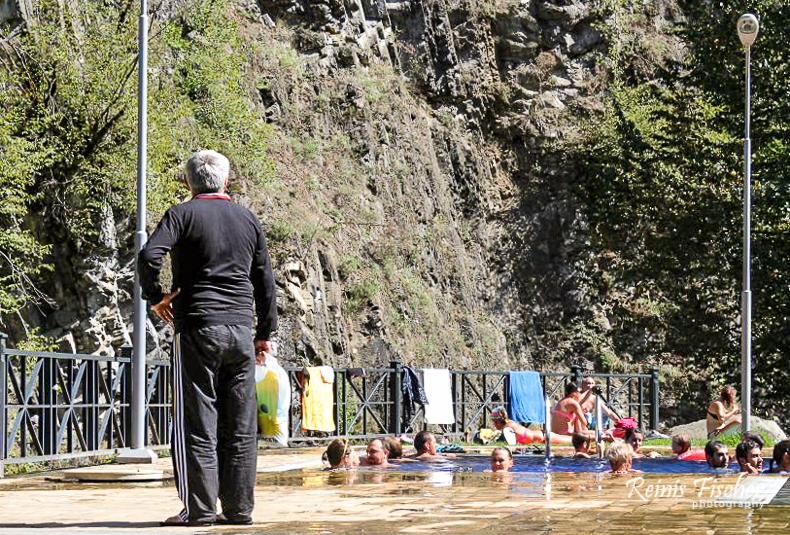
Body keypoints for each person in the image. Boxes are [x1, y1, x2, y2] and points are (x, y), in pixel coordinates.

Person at [139, 150, 277, 526]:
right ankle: (239, 510)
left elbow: (150, 255)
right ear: (226, 182)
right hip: (240, 332)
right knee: (241, 424)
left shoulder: (181, 215)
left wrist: (157, 297)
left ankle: (199, 511)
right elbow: (264, 280)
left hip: (198, 327)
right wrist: (263, 333)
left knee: (196, 421)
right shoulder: (248, 219)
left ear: (188, 183)